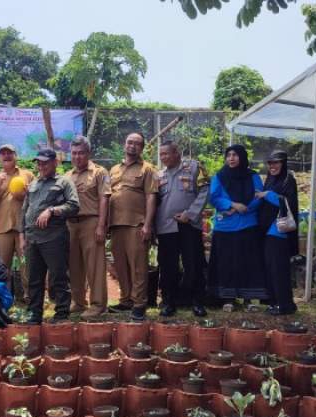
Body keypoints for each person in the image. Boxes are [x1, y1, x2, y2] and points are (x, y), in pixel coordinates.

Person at [20, 148, 80, 324]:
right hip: (33, 239)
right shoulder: (33, 184)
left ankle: (61, 313)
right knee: (34, 279)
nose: (41, 166)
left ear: (55, 163)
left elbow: (74, 205)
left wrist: (52, 210)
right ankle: (34, 314)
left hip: (53, 237)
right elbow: (24, 210)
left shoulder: (64, 182)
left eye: (45, 162)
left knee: (58, 277)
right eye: (38, 162)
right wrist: (22, 235)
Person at [154, 141, 210, 317]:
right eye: (161, 154)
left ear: (177, 153)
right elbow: (155, 202)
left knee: (193, 264)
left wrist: (190, 213)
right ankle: (169, 302)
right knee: (167, 267)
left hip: (188, 225)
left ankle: (198, 302)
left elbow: (205, 191)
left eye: (166, 154)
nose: (163, 158)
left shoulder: (194, 167)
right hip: (166, 227)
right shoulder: (159, 174)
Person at [207, 144, 268, 302]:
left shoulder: (253, 176)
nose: (231, 158)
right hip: (225, 226)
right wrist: (233, 205)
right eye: (228, 155)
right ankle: (228, 298)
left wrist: (244, 208)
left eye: (235, 155)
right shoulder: (219, 176)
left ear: (242, 157)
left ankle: (248, 298)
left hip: (248, 223)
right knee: (227, 263)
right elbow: (214, 197)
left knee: (247, 262)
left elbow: (259, 196)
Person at [108, 132, 158, 321]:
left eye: (137, 144)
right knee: (121, 266)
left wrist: (147, 224)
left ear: (142, 148)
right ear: (124, 144)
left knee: (138, 266)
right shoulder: (113, 169)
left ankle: (139, 303)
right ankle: (126, 300)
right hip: (116, 225)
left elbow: (151, 197)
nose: (132, 146)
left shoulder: (148, 169)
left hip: (137, 225)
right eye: (130, 142)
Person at [65, 136, 111, 319]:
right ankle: (78, 301)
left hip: (91, 222)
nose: (77, 157)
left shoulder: (99, 172)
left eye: (81, 153)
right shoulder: (67, 176)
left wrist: (101, 225)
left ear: (88, 153)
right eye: (74, 153)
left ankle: (98, 304)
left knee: (95, 266)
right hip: (70, 224)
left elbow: (104, 198)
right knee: (74, 265)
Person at [0, 144, 35, 301]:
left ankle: (31, 298)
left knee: (27, 264)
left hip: (24, 228)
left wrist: (26, 193)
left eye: (10, 153)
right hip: (3, 228)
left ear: (16, 156)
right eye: (3, 154)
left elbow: (36, 198)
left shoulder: (27, 175)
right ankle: (3, 299)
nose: (6, 156)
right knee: (2, 267)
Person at [256, 150, 299, 315]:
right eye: (270, 163)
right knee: (269, 268)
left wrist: (268, 194)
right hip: (267, 231)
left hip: (279, 231)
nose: (272, 166)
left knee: (279, 269)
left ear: (283, 163)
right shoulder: (270, 180)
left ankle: (285, 305)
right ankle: (274, 302)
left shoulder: (289, 180)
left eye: (276, 163)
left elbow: (288, 202)